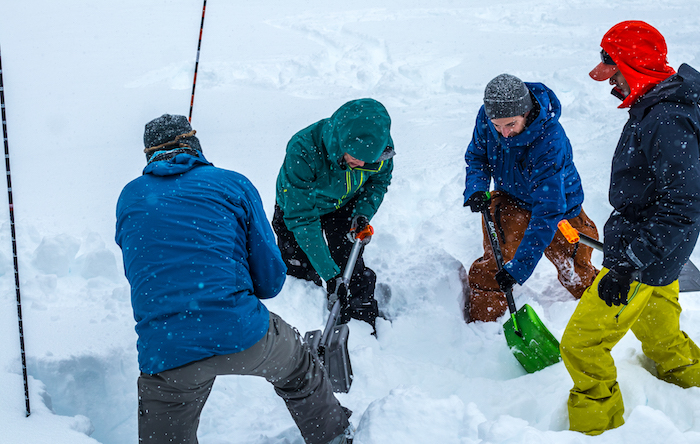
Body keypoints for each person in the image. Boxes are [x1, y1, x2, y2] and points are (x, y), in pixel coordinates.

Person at [115, 114, 352, 444]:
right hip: (242, 333)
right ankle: (335, 437)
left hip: (167, 350)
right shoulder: (232, 184)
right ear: (194, 144)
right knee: (299, 370)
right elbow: (270, 280)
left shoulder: (130, 197)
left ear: (149, 154)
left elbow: (141, 274)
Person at [559, 20, 700, 435]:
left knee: (581, 345)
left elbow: (683, 205)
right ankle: (691, 383)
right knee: (662, 339)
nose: (609, 84)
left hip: (642, 256)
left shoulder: (667, 120)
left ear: (634, 67)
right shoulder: (661, 107)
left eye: (614, 73)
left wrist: (627, 265)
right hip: (662, 256)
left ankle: (595, 429)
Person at [463, 73, 599, 322]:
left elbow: (548, 210)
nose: (503, 133)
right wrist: (476, 187)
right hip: (511, 199)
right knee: (496, 264)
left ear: (526, 113)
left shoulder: (550, 140)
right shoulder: (487, 117)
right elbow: (477, 156)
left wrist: (521, 268)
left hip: (560, 208)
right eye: (497, 126)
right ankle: (483, 329)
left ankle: (601, 316)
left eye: (511, 125)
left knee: (577, 271)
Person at [272, 98, 395, 328]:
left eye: (369, 161)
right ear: (341, 143)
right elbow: (302, 218)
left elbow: (378, 181)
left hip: (342, 204)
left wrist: (362, 214)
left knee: (350, 266)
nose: (362, 165)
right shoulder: (303, 150)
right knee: (300, 273)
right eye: (356, 160)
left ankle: (360, 321)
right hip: (298, 208)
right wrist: (330, 275)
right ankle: (306, 324)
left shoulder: (378, 149)